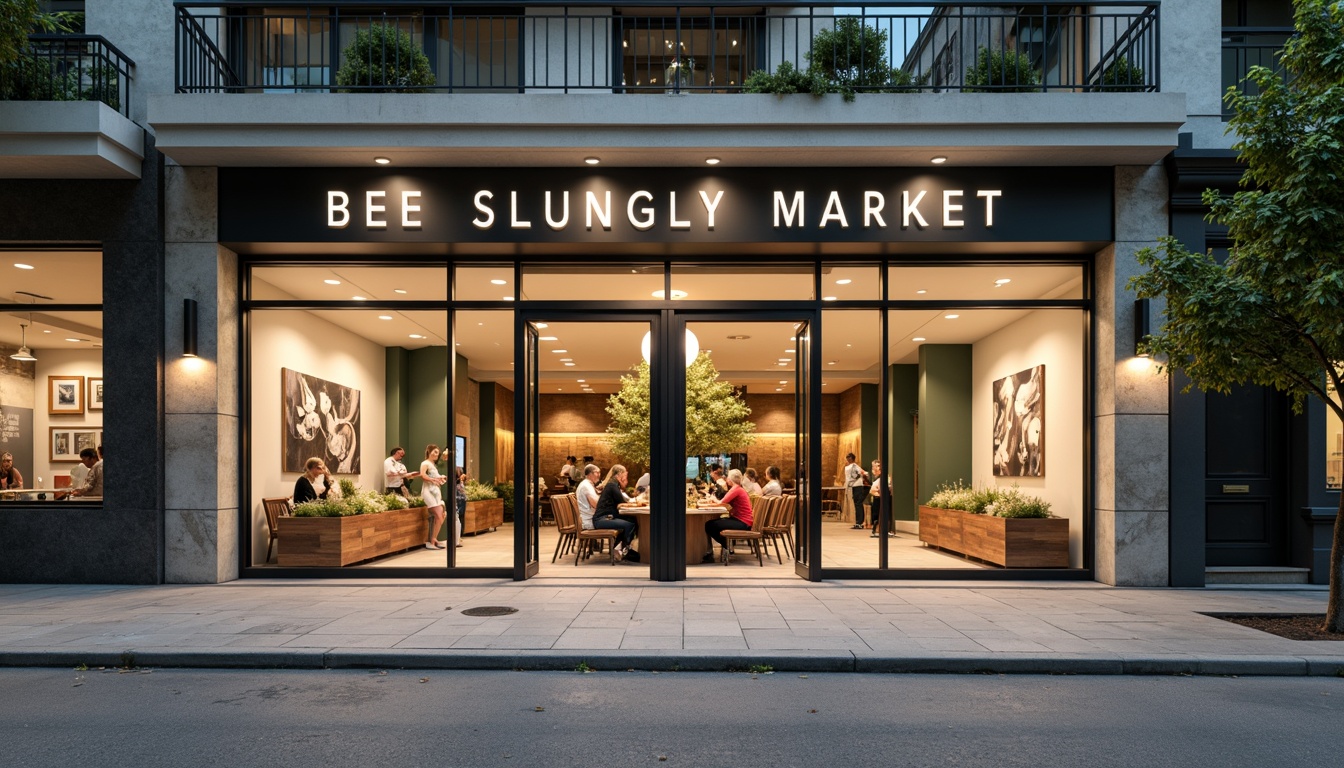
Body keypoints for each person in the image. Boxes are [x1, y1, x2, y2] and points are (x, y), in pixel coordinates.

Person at [703, 468, 753, 563]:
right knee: (712, 524)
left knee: (709, 525)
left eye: (728, 477)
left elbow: (721, 502)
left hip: (743, 523)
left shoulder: (736, 489)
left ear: (730, 479)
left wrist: (713, 498)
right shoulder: (738, 488)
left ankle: (726, 545)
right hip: (743, 520)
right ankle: (725, 546)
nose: (726, 479)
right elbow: (725, 504)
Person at [592, 464, 638, 560]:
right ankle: (624, 551)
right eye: (625, 475)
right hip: (602, 520)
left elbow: (621, 503)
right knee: (630, 525)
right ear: (620, 474)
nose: (626, 477)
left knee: (632, 520)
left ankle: (618, 550)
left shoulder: (612, 485)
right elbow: (622, 502)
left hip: (607, 517)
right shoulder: (612, 486)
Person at [420, 444, 451, 550]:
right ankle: (432, 540)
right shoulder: (425, 463)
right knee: (439, 514)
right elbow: (423, 475)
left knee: (442, 515)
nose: (436, 454)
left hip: (436, 492)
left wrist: (441, 478)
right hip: (429, 492)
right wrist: (433, 480)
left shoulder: (433, 465)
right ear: (429, 451)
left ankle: (434, 539)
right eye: (434, 452)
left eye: (437, 452)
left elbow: (435, 476)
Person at [843, 452, 869, 529]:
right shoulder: (851, 467)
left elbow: (864, 473)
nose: (848, 460)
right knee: (857, 504)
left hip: (857, 486)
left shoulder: (854, 466)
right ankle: (859, 522)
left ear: (852, 459)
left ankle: (859, 523)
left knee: (858, 504)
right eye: (847, 458)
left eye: (849, 458)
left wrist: (860, 475)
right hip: (854, 486)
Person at [869, 460, 894, 538]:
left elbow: (886, 488)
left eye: (877, 466)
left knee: (881, 514)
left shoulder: (884, 477)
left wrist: (878, 491)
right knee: (875, 514)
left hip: (881, 498)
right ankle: (875, 529)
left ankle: (882, 530)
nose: (875, 469)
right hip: (876, 498)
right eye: (874, 466)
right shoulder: (876, 477)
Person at [575, 463, 601, 531]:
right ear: (590, 474)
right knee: (622, 523)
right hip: (589, 521)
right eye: (597, 472)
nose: (599, 475)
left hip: (590, 518)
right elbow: (596, 505)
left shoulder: (587, 484)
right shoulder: (586, 486)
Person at [454, 467, 468, 544]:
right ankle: (458, 536)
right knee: (458, 517)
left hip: (462, 500)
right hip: (457, 500)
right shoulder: (455, 482)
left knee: (461, 517)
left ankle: (460, 535)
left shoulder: (460, 482)